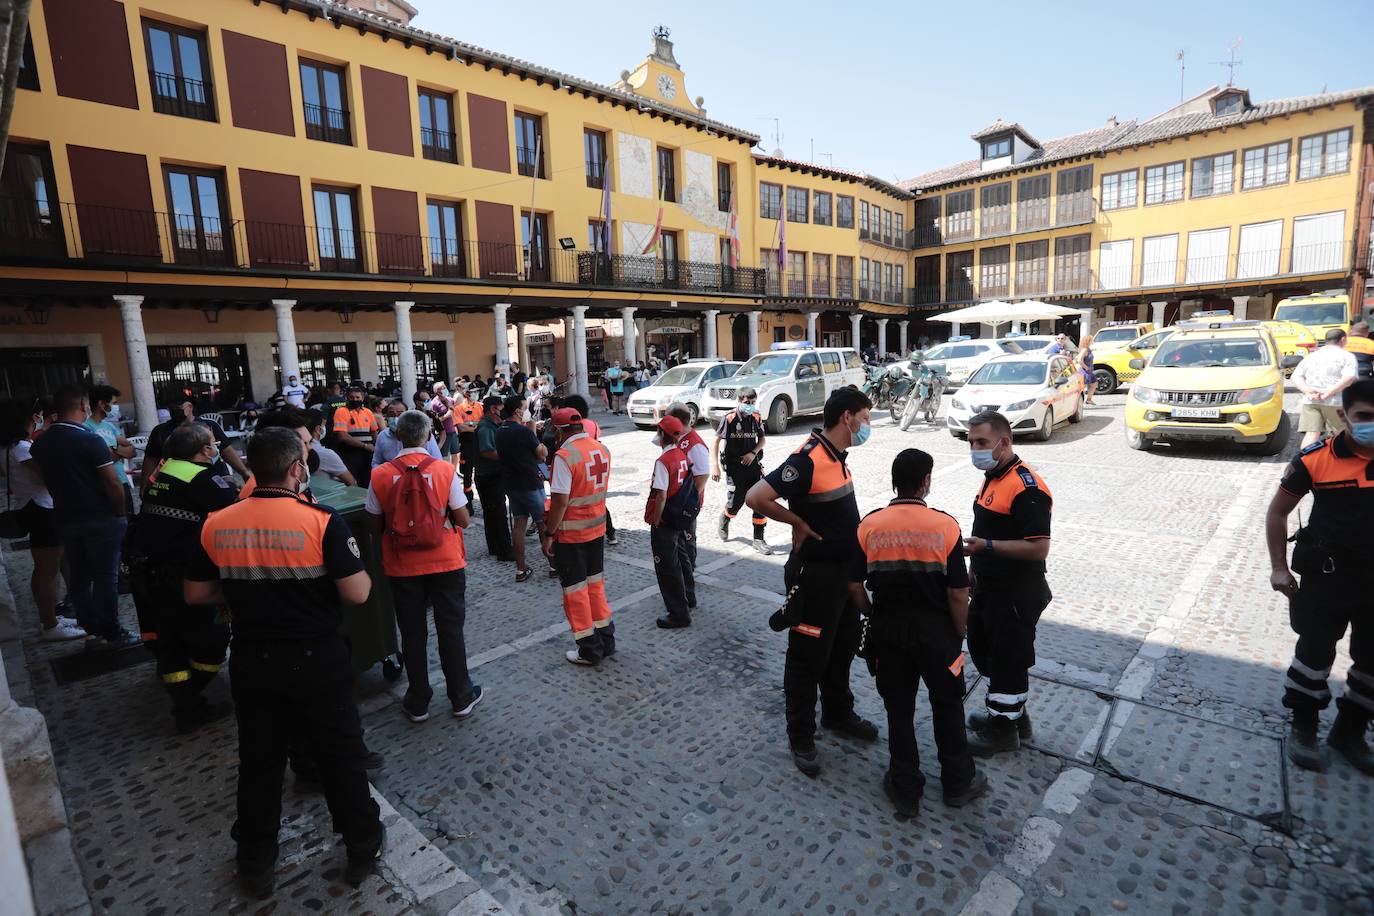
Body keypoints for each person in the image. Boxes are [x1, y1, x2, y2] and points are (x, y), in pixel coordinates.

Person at [185, 427, 385, 897]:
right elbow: (357, 593)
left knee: (259, 762)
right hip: (316, 657)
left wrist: (244, 590)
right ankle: (362, 846)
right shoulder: (320, 521)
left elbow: (195, 592)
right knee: (340, 757)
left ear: (253, 467)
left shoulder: (218, 521)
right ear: (297, 468)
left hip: (254, 659)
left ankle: (255, 861)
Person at [746, 387, 879, 777]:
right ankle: (800, 734)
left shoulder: (836, 455)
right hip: (815, 577)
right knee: (807, 658)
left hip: (843, 576)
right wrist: (797, 522)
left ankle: (838, 714)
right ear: (847, 418)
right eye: (866, 417)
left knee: (840, 650)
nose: (868, 424)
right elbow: (756, 496)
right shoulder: (807, 459)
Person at [849, 448, 987, 816]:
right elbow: (959, 592)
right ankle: (959, 783)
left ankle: (905, 787)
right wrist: (959, 632)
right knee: (947, 705)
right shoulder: (945, 526)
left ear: (894, 482)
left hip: (889, 630)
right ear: (926, 481)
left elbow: (853, 585)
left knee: (898, 708)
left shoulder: (870, 525)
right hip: (937, 633)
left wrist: (872, 614)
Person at [1265, 378, 1374, 775]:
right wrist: (1278, 567)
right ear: (1344, 415)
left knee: (1372, 661)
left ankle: (1351, 731)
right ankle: (1305, 726)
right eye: (1365, 417)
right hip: (1328, 577)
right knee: (1314, 653)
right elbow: (1277, 512)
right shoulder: (1315, 459)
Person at [366, 410, 482, 723]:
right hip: (445, 562)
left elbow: (373, 526)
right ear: (429, 435)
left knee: (412, 633)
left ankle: (418, 700)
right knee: (451, 630)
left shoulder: (380, 475)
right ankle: (460, 695)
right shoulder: (443, 470)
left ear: (397, 436)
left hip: (402, 566)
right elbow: (464, 520)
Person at [133, 423, 237, 732]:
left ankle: (185, 706)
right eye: (212, 443)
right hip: (188, 575)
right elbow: (230, 510)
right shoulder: (204, 479)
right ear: (204, 450)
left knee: (171, 641)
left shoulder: (163, 473)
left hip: (153, 573)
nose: (215, 445)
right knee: (213, 637)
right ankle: (191, 698)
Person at [961, 411, 1053, 756]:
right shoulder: (993, 476)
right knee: (987, 654)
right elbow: (987, 529)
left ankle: (1003, 732)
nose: (975, 449)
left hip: (1015, 592)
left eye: (981, 442)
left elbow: (1038, 547)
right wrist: (973, 573)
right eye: (971, 442)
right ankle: (1013, 717)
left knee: (1006, 660)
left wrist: (986, 547)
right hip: (989, 586)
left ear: (1004, 442)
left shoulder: (1027, 488)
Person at [31, 387, 139, 649]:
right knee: (105, 577)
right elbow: (112, 482)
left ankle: (90, 626)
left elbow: (43, 478)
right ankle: (111, 631)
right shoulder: (90, 440)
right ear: (83, 407)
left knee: (79, 575)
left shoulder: (42, 441)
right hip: (99, 516)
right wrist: (120, 513)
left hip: (66, 516)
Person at [1, 399, 83, 640]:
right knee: (47, 570)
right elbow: (50, 476)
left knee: (48, 568)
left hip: (32, 507)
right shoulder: (22, 449)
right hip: (42, 509)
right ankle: (49, 625)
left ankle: (51, 619)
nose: (39, 418)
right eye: (36, 415)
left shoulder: (8, 447)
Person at [540, 407, 615, 665]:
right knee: (595, 587)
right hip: (597, 531)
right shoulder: (600, 449)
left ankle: (589, 649)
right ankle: (606, 639)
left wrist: (549, 533)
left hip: (572, 536)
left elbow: (560, 502)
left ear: (559, 431)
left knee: (575, 592)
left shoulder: (564, 456)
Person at [647, 415, 696, 629]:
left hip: (666, 519)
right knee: (682, 557)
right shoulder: (682, 455)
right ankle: (689, 596)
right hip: (680, 516)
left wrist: (656, 520)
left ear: (662, 435)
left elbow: (661, 495)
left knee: (667, 567)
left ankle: (679, 613)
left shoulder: (663, 461)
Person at [711, 387, 773, 555]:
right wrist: (715, 466)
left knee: (759, 500)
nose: (750, 406)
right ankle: (725, 517)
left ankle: (758, 539)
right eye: (747, 403)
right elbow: (716, 442)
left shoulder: (756, 417)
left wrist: (753, 453)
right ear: (739, 401)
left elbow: (762, 439)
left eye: (753, 402)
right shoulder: (729, 418)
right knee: (735, 503)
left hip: (753, 465)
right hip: (734, 467)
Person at [495, 395, 548, 582]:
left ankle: (520, 569)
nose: (527, 410)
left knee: (519, 525)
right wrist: (533, 431)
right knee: (543, 523)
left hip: (512, 484)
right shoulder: (523, 431)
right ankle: (553, 564)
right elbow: (542, 455)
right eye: (525, 407)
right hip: (530, 483)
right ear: (518, 411)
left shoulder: (500, 430)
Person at [144, 399, 250, 483]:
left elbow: (226, 449)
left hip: (213, 475)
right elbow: (150, 459)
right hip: (179, 480)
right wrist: (145, 485)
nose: (174, 410)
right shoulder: (160, 431)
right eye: (171, 407)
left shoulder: (209, 425)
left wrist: (244, 472)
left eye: (178, 407)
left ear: (189, 407)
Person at [561, 393, 617, 545]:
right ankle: (610, 532)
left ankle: (582, 532)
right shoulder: (593, 424)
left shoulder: (575, 425)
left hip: (579, 463)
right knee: (598, 501)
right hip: (594, 462)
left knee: (577, 501)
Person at [1292, 329, 1359, 449]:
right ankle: (1341, 463)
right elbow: (1349, 377)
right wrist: (1329, 392)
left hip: (1311, 401)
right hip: (1336, 402)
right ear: (1343, 339)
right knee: (1342, 434)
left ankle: (1306, 463)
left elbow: (1296, 376)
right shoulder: (1347, 356)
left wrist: (1308, 391)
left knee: (1312, 434)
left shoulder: (1312, 356)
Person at [473, 396, 514, 561]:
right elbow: (487, 450)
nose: (503, 411)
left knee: (491, 514)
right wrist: (508, 458)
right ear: (493, 409)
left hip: (488, 474)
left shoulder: (491, 425)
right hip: (489, 475)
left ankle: (495, 547)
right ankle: (504, 550)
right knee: (498, 513)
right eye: (500, 407)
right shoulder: (486, 427)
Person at [85, 385, 136, 512]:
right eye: (114, 403)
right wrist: (116, 452)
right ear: (102, 404)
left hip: (123, 481)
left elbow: (132, 450)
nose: (116, 407)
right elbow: (105, 458)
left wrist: (112, 449)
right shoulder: (86, 427)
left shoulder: (109, 426)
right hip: (105, 484)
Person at [331, 385, 383, 482]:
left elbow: (374, 432)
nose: (355, 400)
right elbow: (342, 436)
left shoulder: (368, 412)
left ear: (362, 398)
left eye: (357, 397)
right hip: (349, 452)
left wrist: (376, 448)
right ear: (347, 398)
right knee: (353, 480)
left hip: (368, 453)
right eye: (351, 397)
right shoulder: (341, 411)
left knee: (368, 479)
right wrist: (364, 446)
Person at [372, 398, 441, 466]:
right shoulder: (382, 436)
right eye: (392, 415)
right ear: (386, 416)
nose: (396, 418)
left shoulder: (421, 433)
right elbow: (376, 462)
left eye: (400, 414)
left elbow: (437, 461)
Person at [305, 408, 356, 486]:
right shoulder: (325, 454)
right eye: (323, 425)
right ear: (318, 429)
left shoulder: (295, 449)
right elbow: (352, 483)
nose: (324, 427)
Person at [429, 382, 461, 470]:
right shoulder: (434, 403)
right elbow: (434, 420)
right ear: (437, 391)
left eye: (444, 387)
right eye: (442, 388)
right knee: (444, 455)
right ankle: (445, 472)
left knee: (455, 453)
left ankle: (453, 472)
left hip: (453, 430)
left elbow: (456, 411)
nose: (444, 389)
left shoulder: (450, 400)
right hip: (443, 432)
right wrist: (446, 416)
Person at [1076, 334, 1096, 406]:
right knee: (1082, 387)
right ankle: (1079, 401)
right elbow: (1079, 360)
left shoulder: (1088, 349)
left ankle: (1089, 399)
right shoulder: (1084, 350)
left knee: (1094, 384)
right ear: (1088, 341)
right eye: (1091, 340)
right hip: (1085, 371)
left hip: (1090, 370)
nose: (1093, 341)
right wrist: (1086, 367)